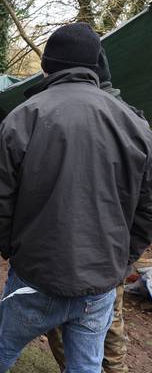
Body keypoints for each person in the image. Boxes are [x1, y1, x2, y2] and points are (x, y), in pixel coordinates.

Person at [0, 23, 152, 373]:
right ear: (96, 66)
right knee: (86, 367)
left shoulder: (23, 118)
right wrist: (122, 260)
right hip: (99, 283)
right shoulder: (135, 125)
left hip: (35, 276)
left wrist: (16, 252)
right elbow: (147, 208)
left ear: (48, 67)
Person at [45, 48, 139, 373]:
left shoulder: (64, 116)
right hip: (113, 253)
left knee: (61, 322)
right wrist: (128, 252)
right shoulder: (135, 121)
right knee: (110, 321)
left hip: (70, 251)